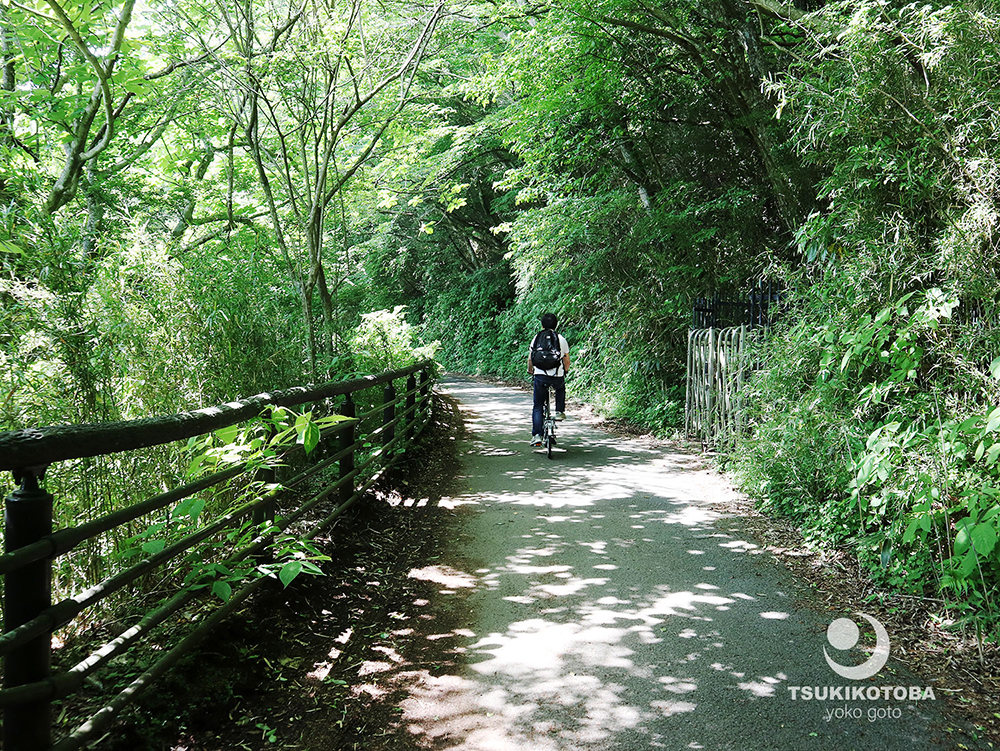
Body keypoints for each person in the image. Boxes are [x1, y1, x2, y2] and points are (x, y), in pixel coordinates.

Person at [528, 312, 570, 447]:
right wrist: (566, 371)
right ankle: (559, 411)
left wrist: (531, 370)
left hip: (540, 376)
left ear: (542, 325)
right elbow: (566, 360)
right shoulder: (560, 339)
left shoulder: (536, 338)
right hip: (556, 375)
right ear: (556, 325)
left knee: (538, 405)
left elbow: (531, 358)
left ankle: (537, 435)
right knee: (560, 387)